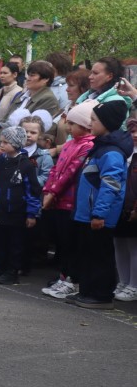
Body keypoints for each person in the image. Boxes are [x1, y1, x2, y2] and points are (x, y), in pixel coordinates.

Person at [70, 102, 132, 308]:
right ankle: (87, 291)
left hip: (99, 216)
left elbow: (111, 185)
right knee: (87, 253)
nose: (90, 123)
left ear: (107, 122)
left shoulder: (111, 152)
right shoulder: (99, 147)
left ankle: (101, 295)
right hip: (87, 213)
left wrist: (99, 214)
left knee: (100, 256)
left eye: (94, 120)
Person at [40, 101, 97, 299]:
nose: (68, 127)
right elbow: (56, 169)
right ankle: (64, 276)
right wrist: (48, 190)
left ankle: (72, 280)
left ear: (86, 125)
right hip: (58, 200)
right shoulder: (70, 144)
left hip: (71, 201)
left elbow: (71, 172)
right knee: (63, 242)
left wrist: (53, 193)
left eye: (73, 124)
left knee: (72, 243)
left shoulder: (88, 145)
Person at [0, 126, 41, 285]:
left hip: (16, 211)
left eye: (6, 142)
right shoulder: (0, 161)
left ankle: (11, 271)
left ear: (16, 144)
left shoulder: (26, 165)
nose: (1, 145)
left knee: (15, 243)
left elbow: (32, 190)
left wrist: (31, 213)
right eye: (1, 141)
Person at [112, 115, 137, 302]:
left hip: (133, 207)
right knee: (119, 244)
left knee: (133, 246)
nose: (135, 135)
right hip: (120, 206)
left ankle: (133, 285)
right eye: (132, 131)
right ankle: (123, 281)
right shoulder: (125, 153)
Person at [0, 61, 23, 130]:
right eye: (0, 73)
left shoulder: (19, 93)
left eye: (5, 73)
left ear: (15, 74)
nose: (2, 76)